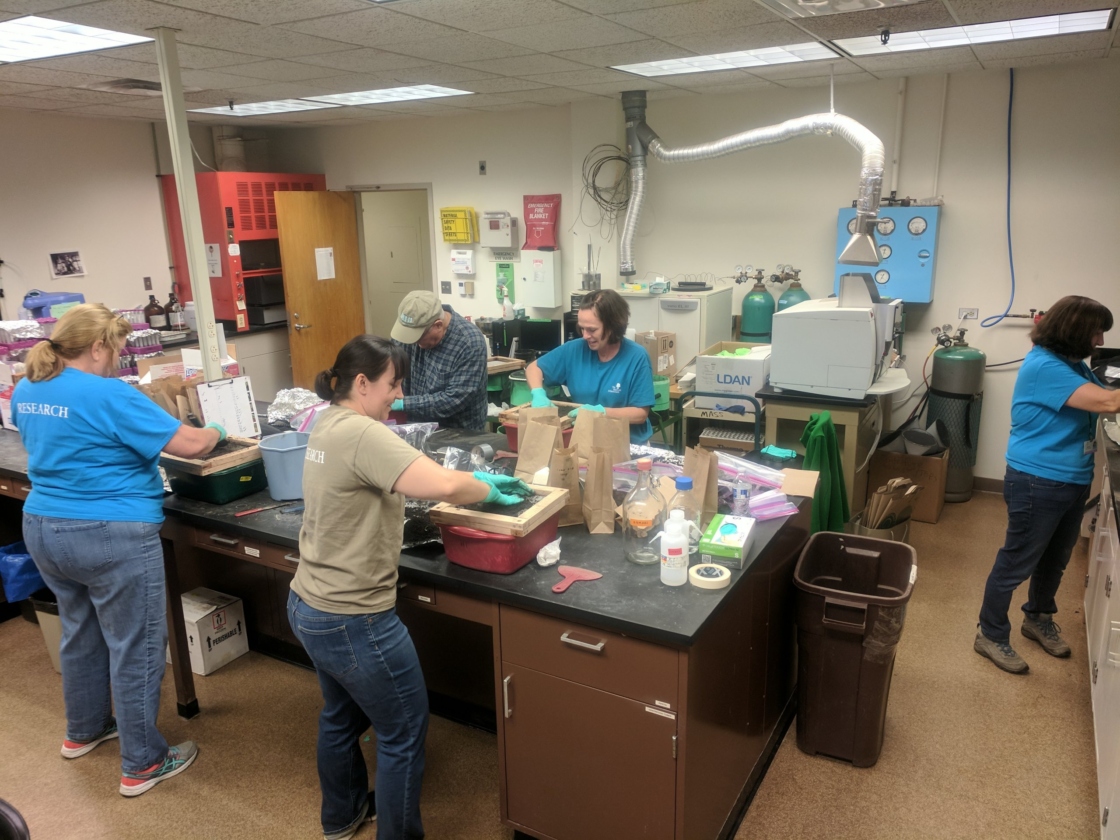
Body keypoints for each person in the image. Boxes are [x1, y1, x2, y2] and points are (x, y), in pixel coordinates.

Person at [287, 335, 531, 840]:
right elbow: (442, 485)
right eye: (392, 385)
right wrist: (489, 488)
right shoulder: (360, 432)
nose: (395, 395)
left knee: (339, 715)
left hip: (309, 601)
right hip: (354, 618)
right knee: (402, 732)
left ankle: (341, 817)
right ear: (361, 383)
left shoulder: (324, 421)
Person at [13, 303, 225, 796]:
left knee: (80, 632)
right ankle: (143, 762)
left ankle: (84, 731)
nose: (122, 359)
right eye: (120, 349)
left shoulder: (29, 387)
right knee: (136, 645)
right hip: (109, 532)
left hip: (44, 526)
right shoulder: (107, 393)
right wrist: (215, 429)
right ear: (97, 347)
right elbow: (192, 445)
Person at [975, 295, 1120, 674]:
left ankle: (1037, 618)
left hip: (1070, 479)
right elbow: (1107, 403)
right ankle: (989, 634)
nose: (1100, 342)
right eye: (1096, 332)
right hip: (1038, 481)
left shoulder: (1071, 364)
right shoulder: (1045, 367)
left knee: (1054, 561)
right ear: (1074, 332)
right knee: (1016, 561)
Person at [526, 288, 654, 444]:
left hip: (627, 446)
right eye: (582, 328)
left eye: (592, 330)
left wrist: (602, 412)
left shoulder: (636, 357)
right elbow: (534, 368)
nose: (585, 335)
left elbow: (640, 414)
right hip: (584, 440)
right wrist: (538, 393)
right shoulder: (574, 350)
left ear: (613, 326)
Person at [389, 290, 488, 430]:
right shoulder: (407, 333)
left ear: (438, 325)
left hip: (457, 433)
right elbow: (389, 368)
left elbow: (453, 400)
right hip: (413, 426)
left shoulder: (469, 342)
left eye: (419, 337)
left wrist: (403, 403)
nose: (414, 342)